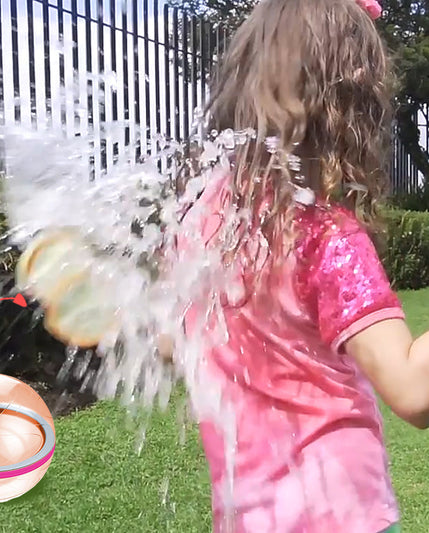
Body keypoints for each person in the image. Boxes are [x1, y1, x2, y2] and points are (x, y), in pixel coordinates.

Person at [158, 0, 416, 531]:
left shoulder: (201, 219)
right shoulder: (324, 235)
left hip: (247, 514)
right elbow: (412, 391)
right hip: (342, 512)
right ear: (350, 103)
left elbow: (168, 341)